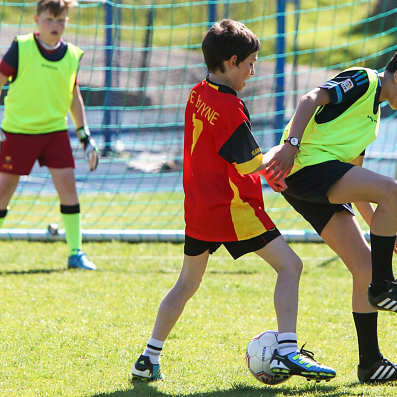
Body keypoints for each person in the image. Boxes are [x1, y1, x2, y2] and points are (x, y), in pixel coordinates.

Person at [131, 19, 336, 383]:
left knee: (186, 285)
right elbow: (249, 163)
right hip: (232, 209)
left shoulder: (197, 92)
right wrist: (282, 154)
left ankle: (149, 356)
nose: (253, 72)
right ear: (231, 61)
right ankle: (288, 350)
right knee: (291, 267)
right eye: (251, 64)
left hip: (199, 209)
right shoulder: (229, 107)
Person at [265, 42, 397, 383]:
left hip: (314, 184)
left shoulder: (373, 121)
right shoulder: (363, 81)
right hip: (305, 168)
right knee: (393, 190)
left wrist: (382, 227)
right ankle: (386, 286)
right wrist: (290, 147)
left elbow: (355, 177)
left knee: (364, 266)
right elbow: (309, 99)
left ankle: (371, 364)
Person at [0, 0, 99, 270]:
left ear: (67, 21)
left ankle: (75, 252)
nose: (54, 25)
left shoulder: (72, 55)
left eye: (60, 20)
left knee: (68, 185)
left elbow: (73, 96)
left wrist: (84, 136)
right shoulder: (20, 48)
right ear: (36, 19)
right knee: (3, 191)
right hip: (18, 131)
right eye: (49, 19)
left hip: (54, 131)